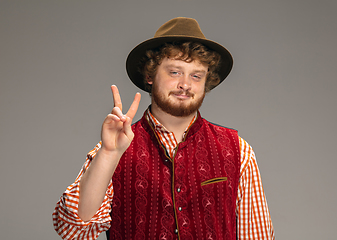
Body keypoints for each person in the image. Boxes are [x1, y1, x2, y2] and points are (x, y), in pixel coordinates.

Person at [53, 17, 275, 240]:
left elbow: (258, 236)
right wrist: (109, 154)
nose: (185, 85)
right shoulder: (115, 148)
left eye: (196, 76)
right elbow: (72, 229)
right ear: (149, 76)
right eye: (175, 72)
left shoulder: (238, 151)